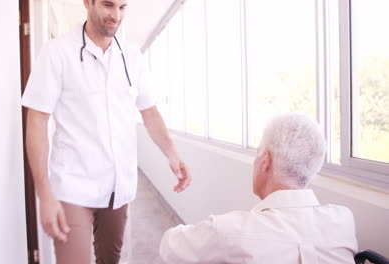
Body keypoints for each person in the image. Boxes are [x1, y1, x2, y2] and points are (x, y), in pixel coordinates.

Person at [22, 0, 192, 263]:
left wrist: (172, 153)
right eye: (108, 5)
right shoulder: (58, 52)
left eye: (122, 7)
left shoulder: (132, 57)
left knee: (110, 260)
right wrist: (44, 193)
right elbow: (36, 120)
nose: (116, 16)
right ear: (87, 2)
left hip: (118, 187)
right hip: (72, 186)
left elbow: (149, 111)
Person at [159, 113, 358, 263]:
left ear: (265, 161)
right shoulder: (343, 221)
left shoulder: (228, 231)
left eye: (257, 153)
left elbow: (169, 246)